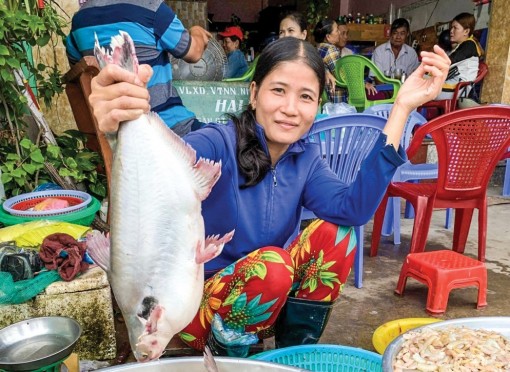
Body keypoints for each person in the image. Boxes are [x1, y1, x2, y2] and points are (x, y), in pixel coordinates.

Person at [88, 37, 450, 354]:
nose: (290, 108)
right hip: (195, 308)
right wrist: (118, 127)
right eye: (278, 90)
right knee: (273, 266)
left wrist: (403, 107)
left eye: (305, 97)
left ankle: (289, 354)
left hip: (265, 299)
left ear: (317, 107)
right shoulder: (217, 142)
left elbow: (352, 210)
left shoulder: (306, 158)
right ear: (254, 92)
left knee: (336, 236)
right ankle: (228, 358)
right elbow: (151, 178)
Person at [65, 0, 211, 137]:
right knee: (227, 139)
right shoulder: (152, 8)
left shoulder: (79, 21)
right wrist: (197, 31)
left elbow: (77, 69)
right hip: (169, 130)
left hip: (114, 135)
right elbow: (194, 53)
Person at [435, 12, 483, 100]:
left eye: (455, 28)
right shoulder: (463, 45)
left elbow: (449, 61)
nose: (451, 31)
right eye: (451, 27)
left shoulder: (469, 45)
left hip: (457, 89)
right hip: (453, 87)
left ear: (466, 31)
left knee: (419, 88)